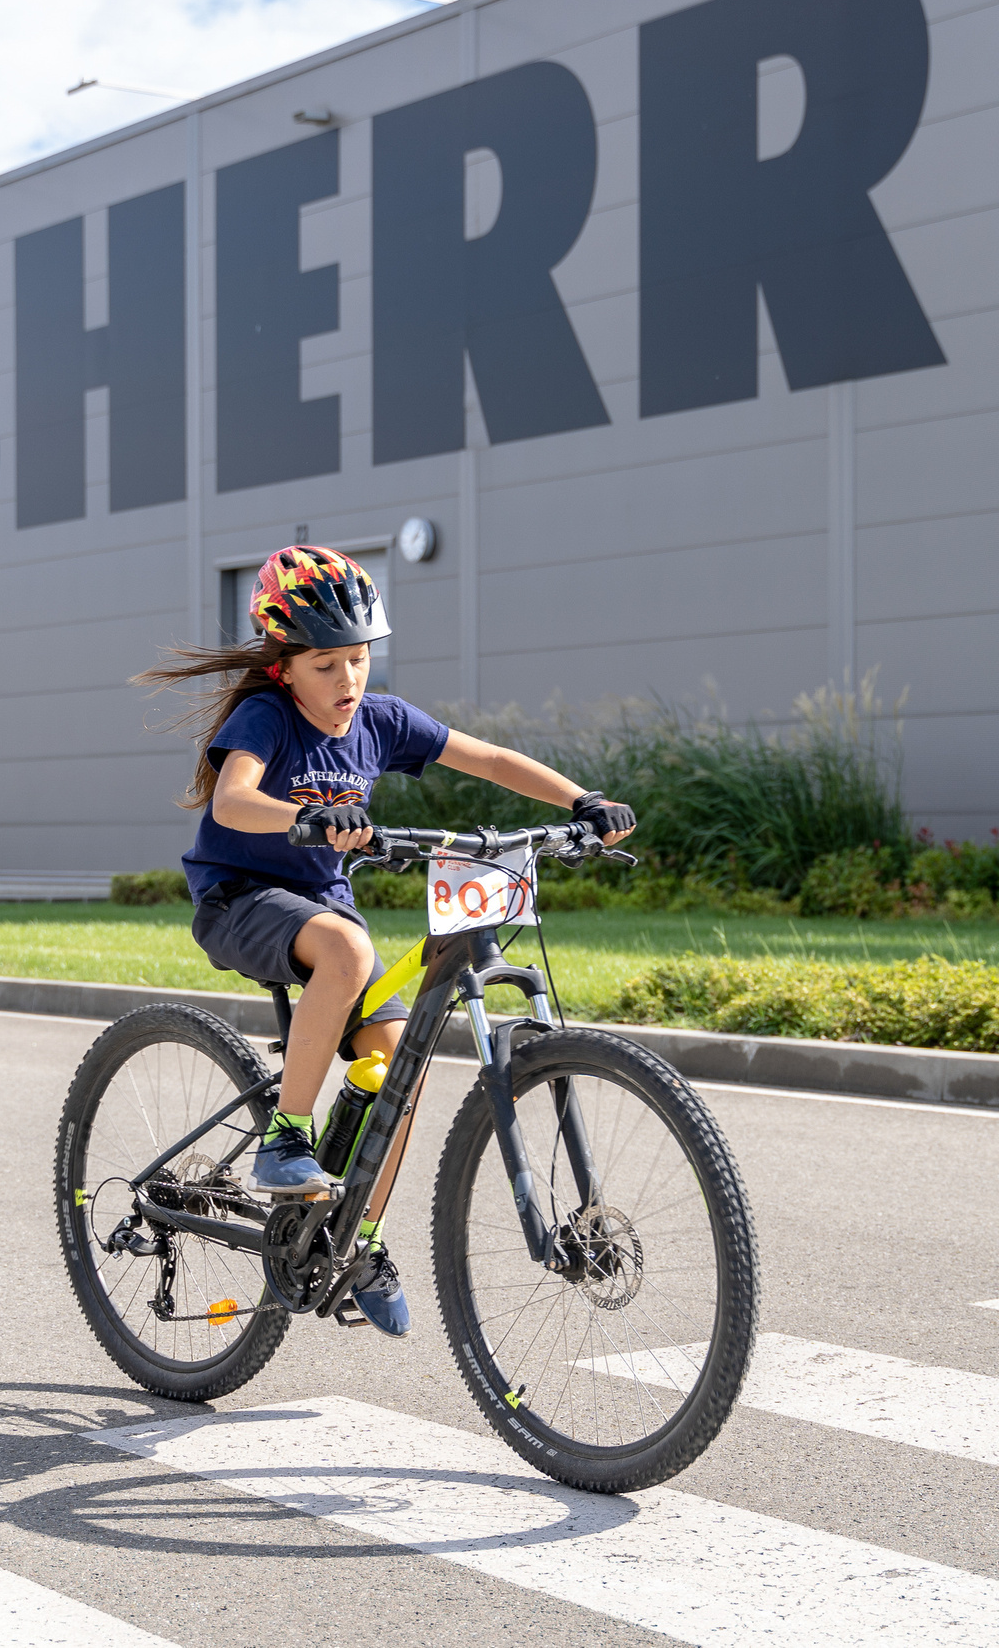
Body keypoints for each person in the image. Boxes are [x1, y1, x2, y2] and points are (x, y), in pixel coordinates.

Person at [135, 545, 635, 1339]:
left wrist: (583, 800)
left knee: (402, 1057)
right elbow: (232, 802)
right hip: (239, 896)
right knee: (346, 950)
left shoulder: (381, 721)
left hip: (323, 905)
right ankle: (285, 1138)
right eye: (326, 664)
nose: (348, 679)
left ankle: (354, 1240)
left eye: (360, 658)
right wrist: (305, 816)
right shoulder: (266, 717)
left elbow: (488, 758)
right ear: (285, 667)